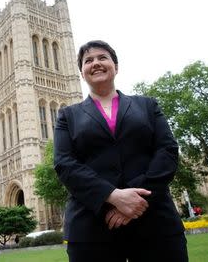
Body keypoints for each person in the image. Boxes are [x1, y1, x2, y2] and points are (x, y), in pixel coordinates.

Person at [54, 40, 188, 262]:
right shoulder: (67, 116)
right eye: (88, 60)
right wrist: (112, 196)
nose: (96, 63)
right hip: (92, 226)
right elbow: (64, 163)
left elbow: (167, 150)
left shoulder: (147, 105)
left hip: (155, 221)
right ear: (81, 72)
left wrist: (135, 201)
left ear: (116, 66)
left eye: (102, 57)